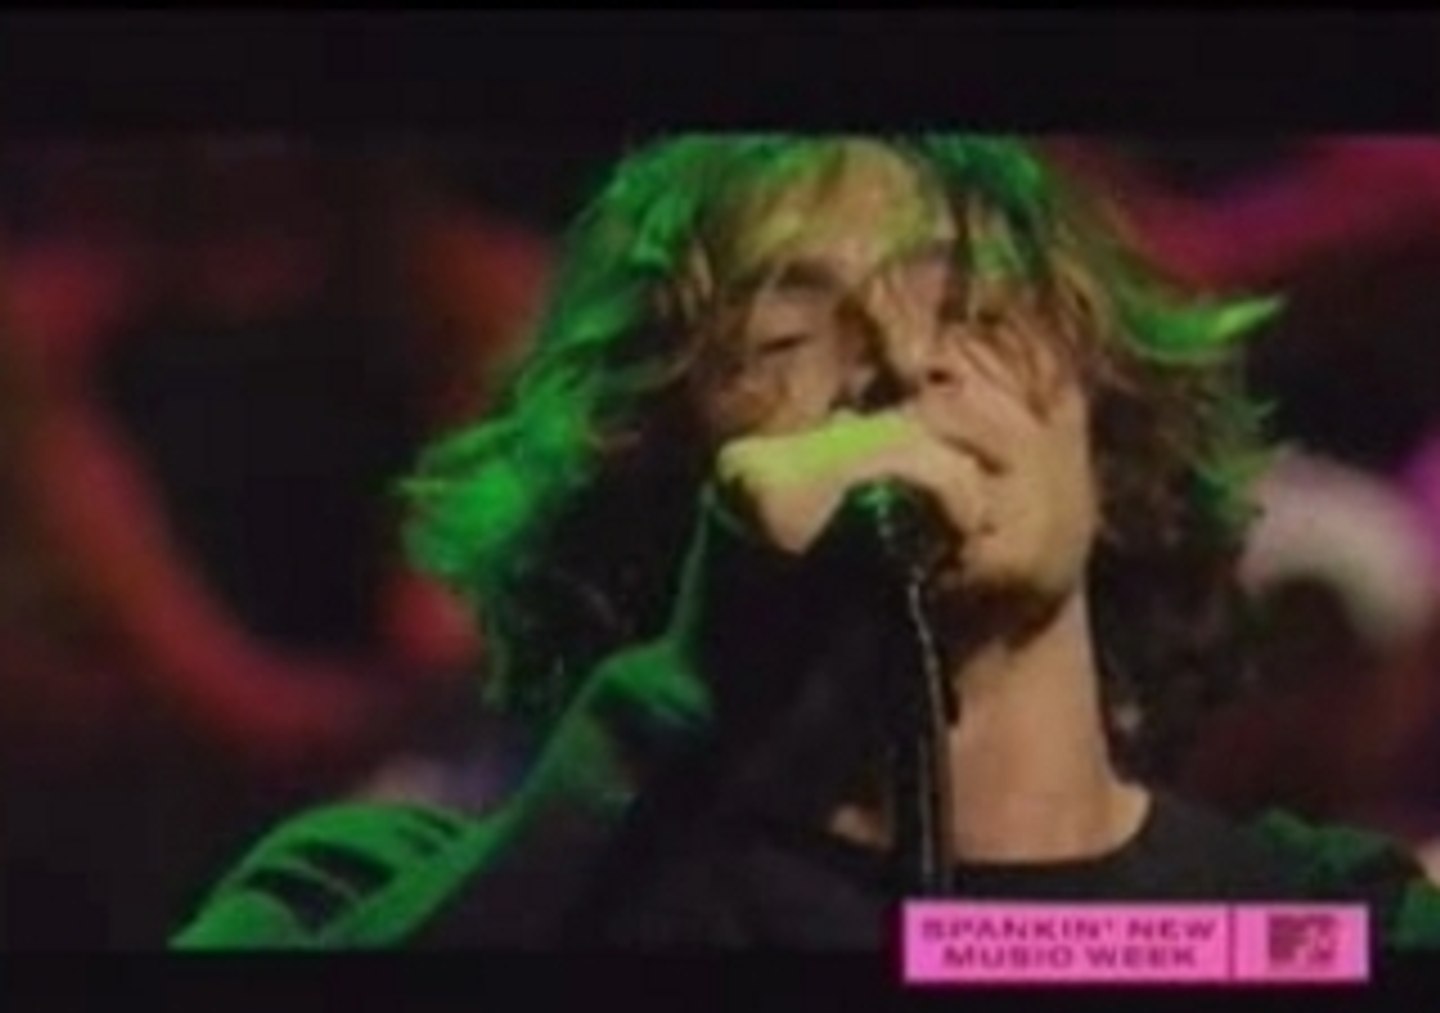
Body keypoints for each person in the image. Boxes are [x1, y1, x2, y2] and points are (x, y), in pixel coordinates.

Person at [171, 135, 1440, 950]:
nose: (902, 360)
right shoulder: (368, 892)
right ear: (660, 488)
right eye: (787, 339)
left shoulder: (1315, 927)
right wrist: (685, 698)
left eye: (973, 310)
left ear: (1103, 443)